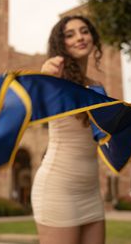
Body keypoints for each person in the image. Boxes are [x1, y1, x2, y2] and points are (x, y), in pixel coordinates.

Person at [31, 15, 105, 244]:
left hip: (91, 192)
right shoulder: (55, 78)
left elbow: (101, 134)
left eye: (84, 31)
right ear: (60, 44)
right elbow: (37, 101)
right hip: (58, 189)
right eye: (70, 35)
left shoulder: (97, 87)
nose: (80, 38)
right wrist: (46, 75)